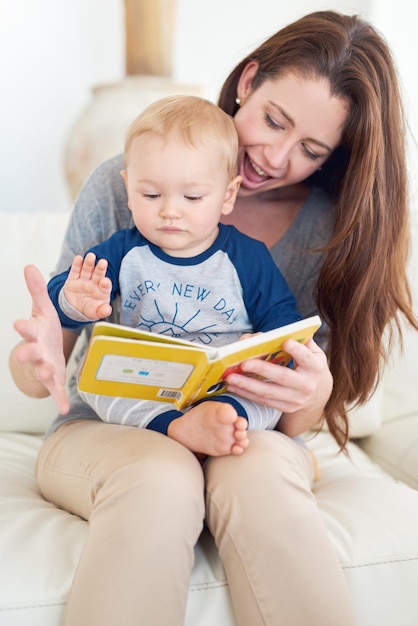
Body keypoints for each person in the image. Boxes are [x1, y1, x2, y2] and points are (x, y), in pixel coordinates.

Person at [9, 10, 418, 626]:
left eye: (310, 149)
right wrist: (32, 358)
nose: (275, 156)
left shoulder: (326, 229)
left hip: (247, 435)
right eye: (274, 120)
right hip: (113, 431)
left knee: (259, 475)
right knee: (161, 476)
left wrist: (314, 387)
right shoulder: (131, 186)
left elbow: (293, 422)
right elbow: (49, 345)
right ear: (249, 80)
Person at [47, 95, 302, 455]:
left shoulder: (248, 257)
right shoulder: (123, 250)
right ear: (128, 188)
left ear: (227, 195)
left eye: (193, 197)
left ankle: (221, 421)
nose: (169, 211)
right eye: (150, 194)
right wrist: (74, 299)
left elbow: (285, 321)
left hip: (224, 386)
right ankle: (177, 428)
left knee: (265, 398)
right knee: (95, 379)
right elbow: (61, 295)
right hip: (147, 383)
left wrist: (266, 349)